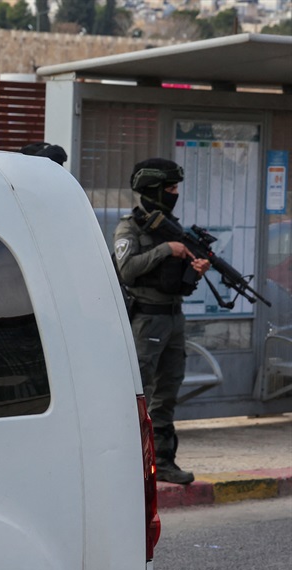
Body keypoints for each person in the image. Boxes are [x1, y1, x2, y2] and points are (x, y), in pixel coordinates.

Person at [114, 158, 210, 485]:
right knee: (138, 391)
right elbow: (127, 270)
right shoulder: (130, 228)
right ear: (153, 190)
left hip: (173, 319)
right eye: (169, 188)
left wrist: (192, 272)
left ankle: (163, 461)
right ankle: (128, 463)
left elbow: (176, 283)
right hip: (146, 320)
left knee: (168, 391)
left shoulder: (174, 228)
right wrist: (166, 250)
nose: (175, 194)